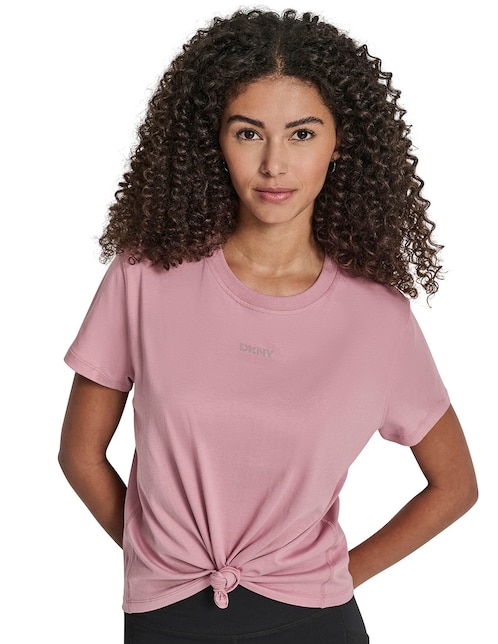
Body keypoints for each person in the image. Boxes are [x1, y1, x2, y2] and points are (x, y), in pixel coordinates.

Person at [58, 9, 478, 643]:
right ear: (215, 140)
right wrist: (155, 558)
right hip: (163, 618)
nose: (274, 164)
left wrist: (336, 575)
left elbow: (455, 486)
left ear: (340, 142)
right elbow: (80, 454)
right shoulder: (146, 275)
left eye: (302, 134)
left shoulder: (378, 317)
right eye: (248, 133)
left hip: (314, 623)